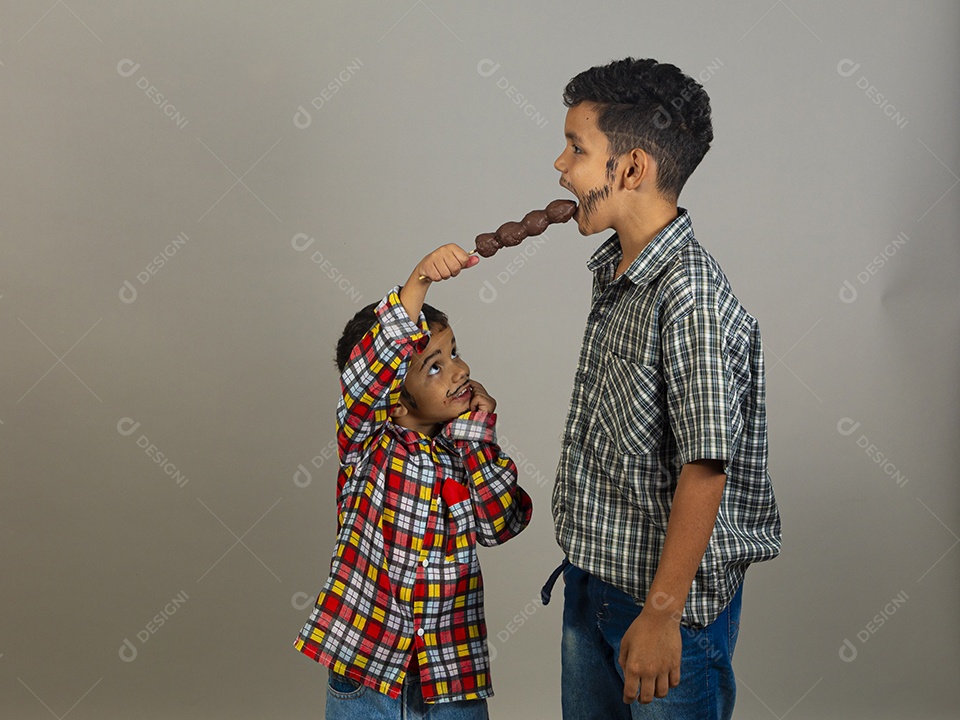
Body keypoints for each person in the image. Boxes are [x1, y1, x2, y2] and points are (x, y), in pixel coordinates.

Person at [543, 57, 782, 719]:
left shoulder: (689, 296)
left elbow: (705, 469)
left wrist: (659, 616)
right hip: (594, 582)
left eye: (576, 148)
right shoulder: (619, 273)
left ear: (632, 168)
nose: (560, 167)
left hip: (658, 606)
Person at [295, 243, 533, 719]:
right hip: (365, 674)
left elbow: (499, 525)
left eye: (454, 354)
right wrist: (418, 282)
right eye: (435, 366)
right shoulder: (366, 445)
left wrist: (476, 436)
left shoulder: (462, 451)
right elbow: (366, 380)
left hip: (451, 675)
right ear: (395, 401)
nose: (460, 370)